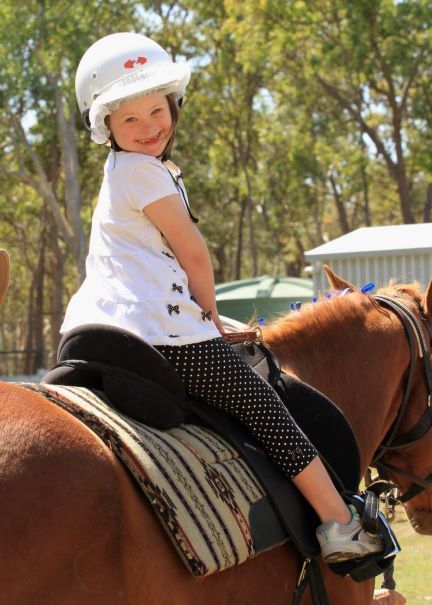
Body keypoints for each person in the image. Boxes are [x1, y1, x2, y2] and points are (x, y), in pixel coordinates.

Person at [62, 31, 383, 564]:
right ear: (108, 129)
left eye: (156, 110)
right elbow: (194, 256)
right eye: (131, 120)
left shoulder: (121, 173)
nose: (149, 127)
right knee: (266, 409)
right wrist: (208, 316)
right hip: (164, 336)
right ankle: (340, 524)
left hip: (99, 327)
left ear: (173, 107)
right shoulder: (145, 173)